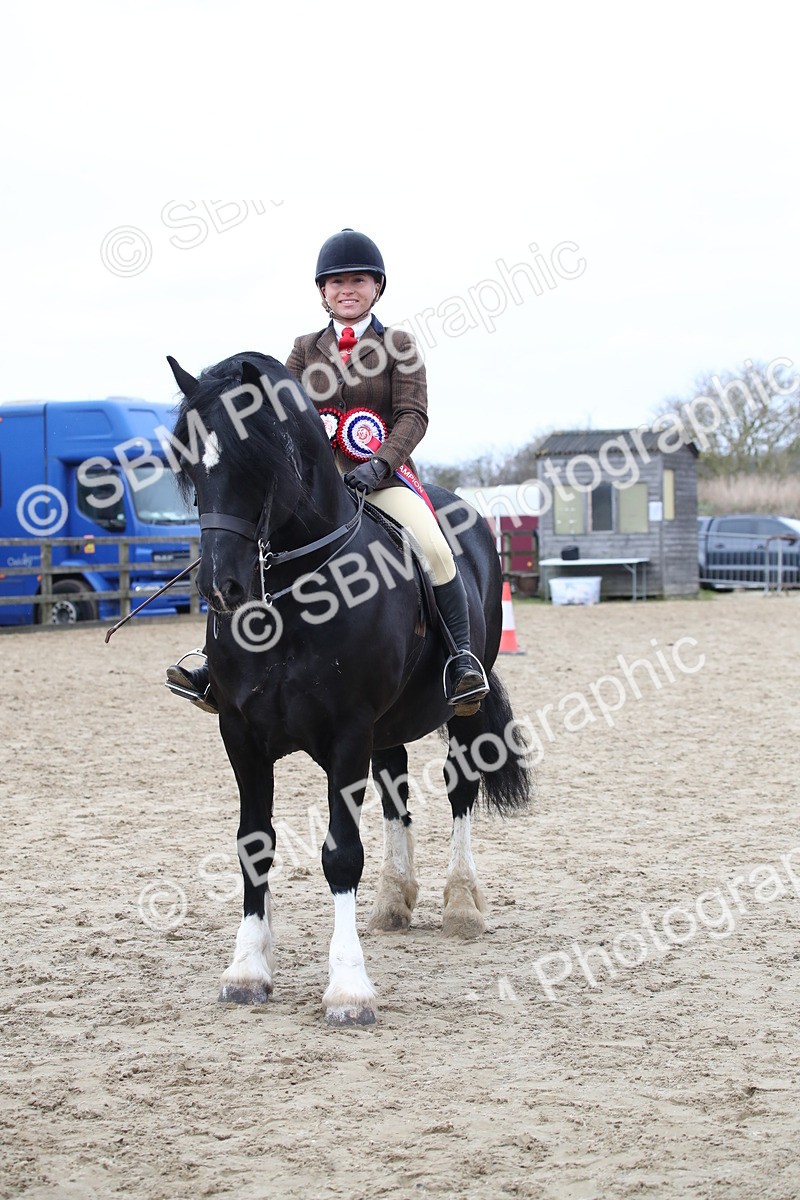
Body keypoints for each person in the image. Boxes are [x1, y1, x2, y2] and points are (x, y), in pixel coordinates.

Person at [166, 229, 489, 717]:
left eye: (357, 281)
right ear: (323, 292)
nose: (346, 290)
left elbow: (413, 416)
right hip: (312, 484)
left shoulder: (399, 344)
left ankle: (461, 659)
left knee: (435, 546)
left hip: (382, 477)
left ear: (376, 287)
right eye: (336, 283)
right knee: (245, 545)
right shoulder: (303, 348)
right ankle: (218, 666)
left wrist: (378, 464)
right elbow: (283, 415)